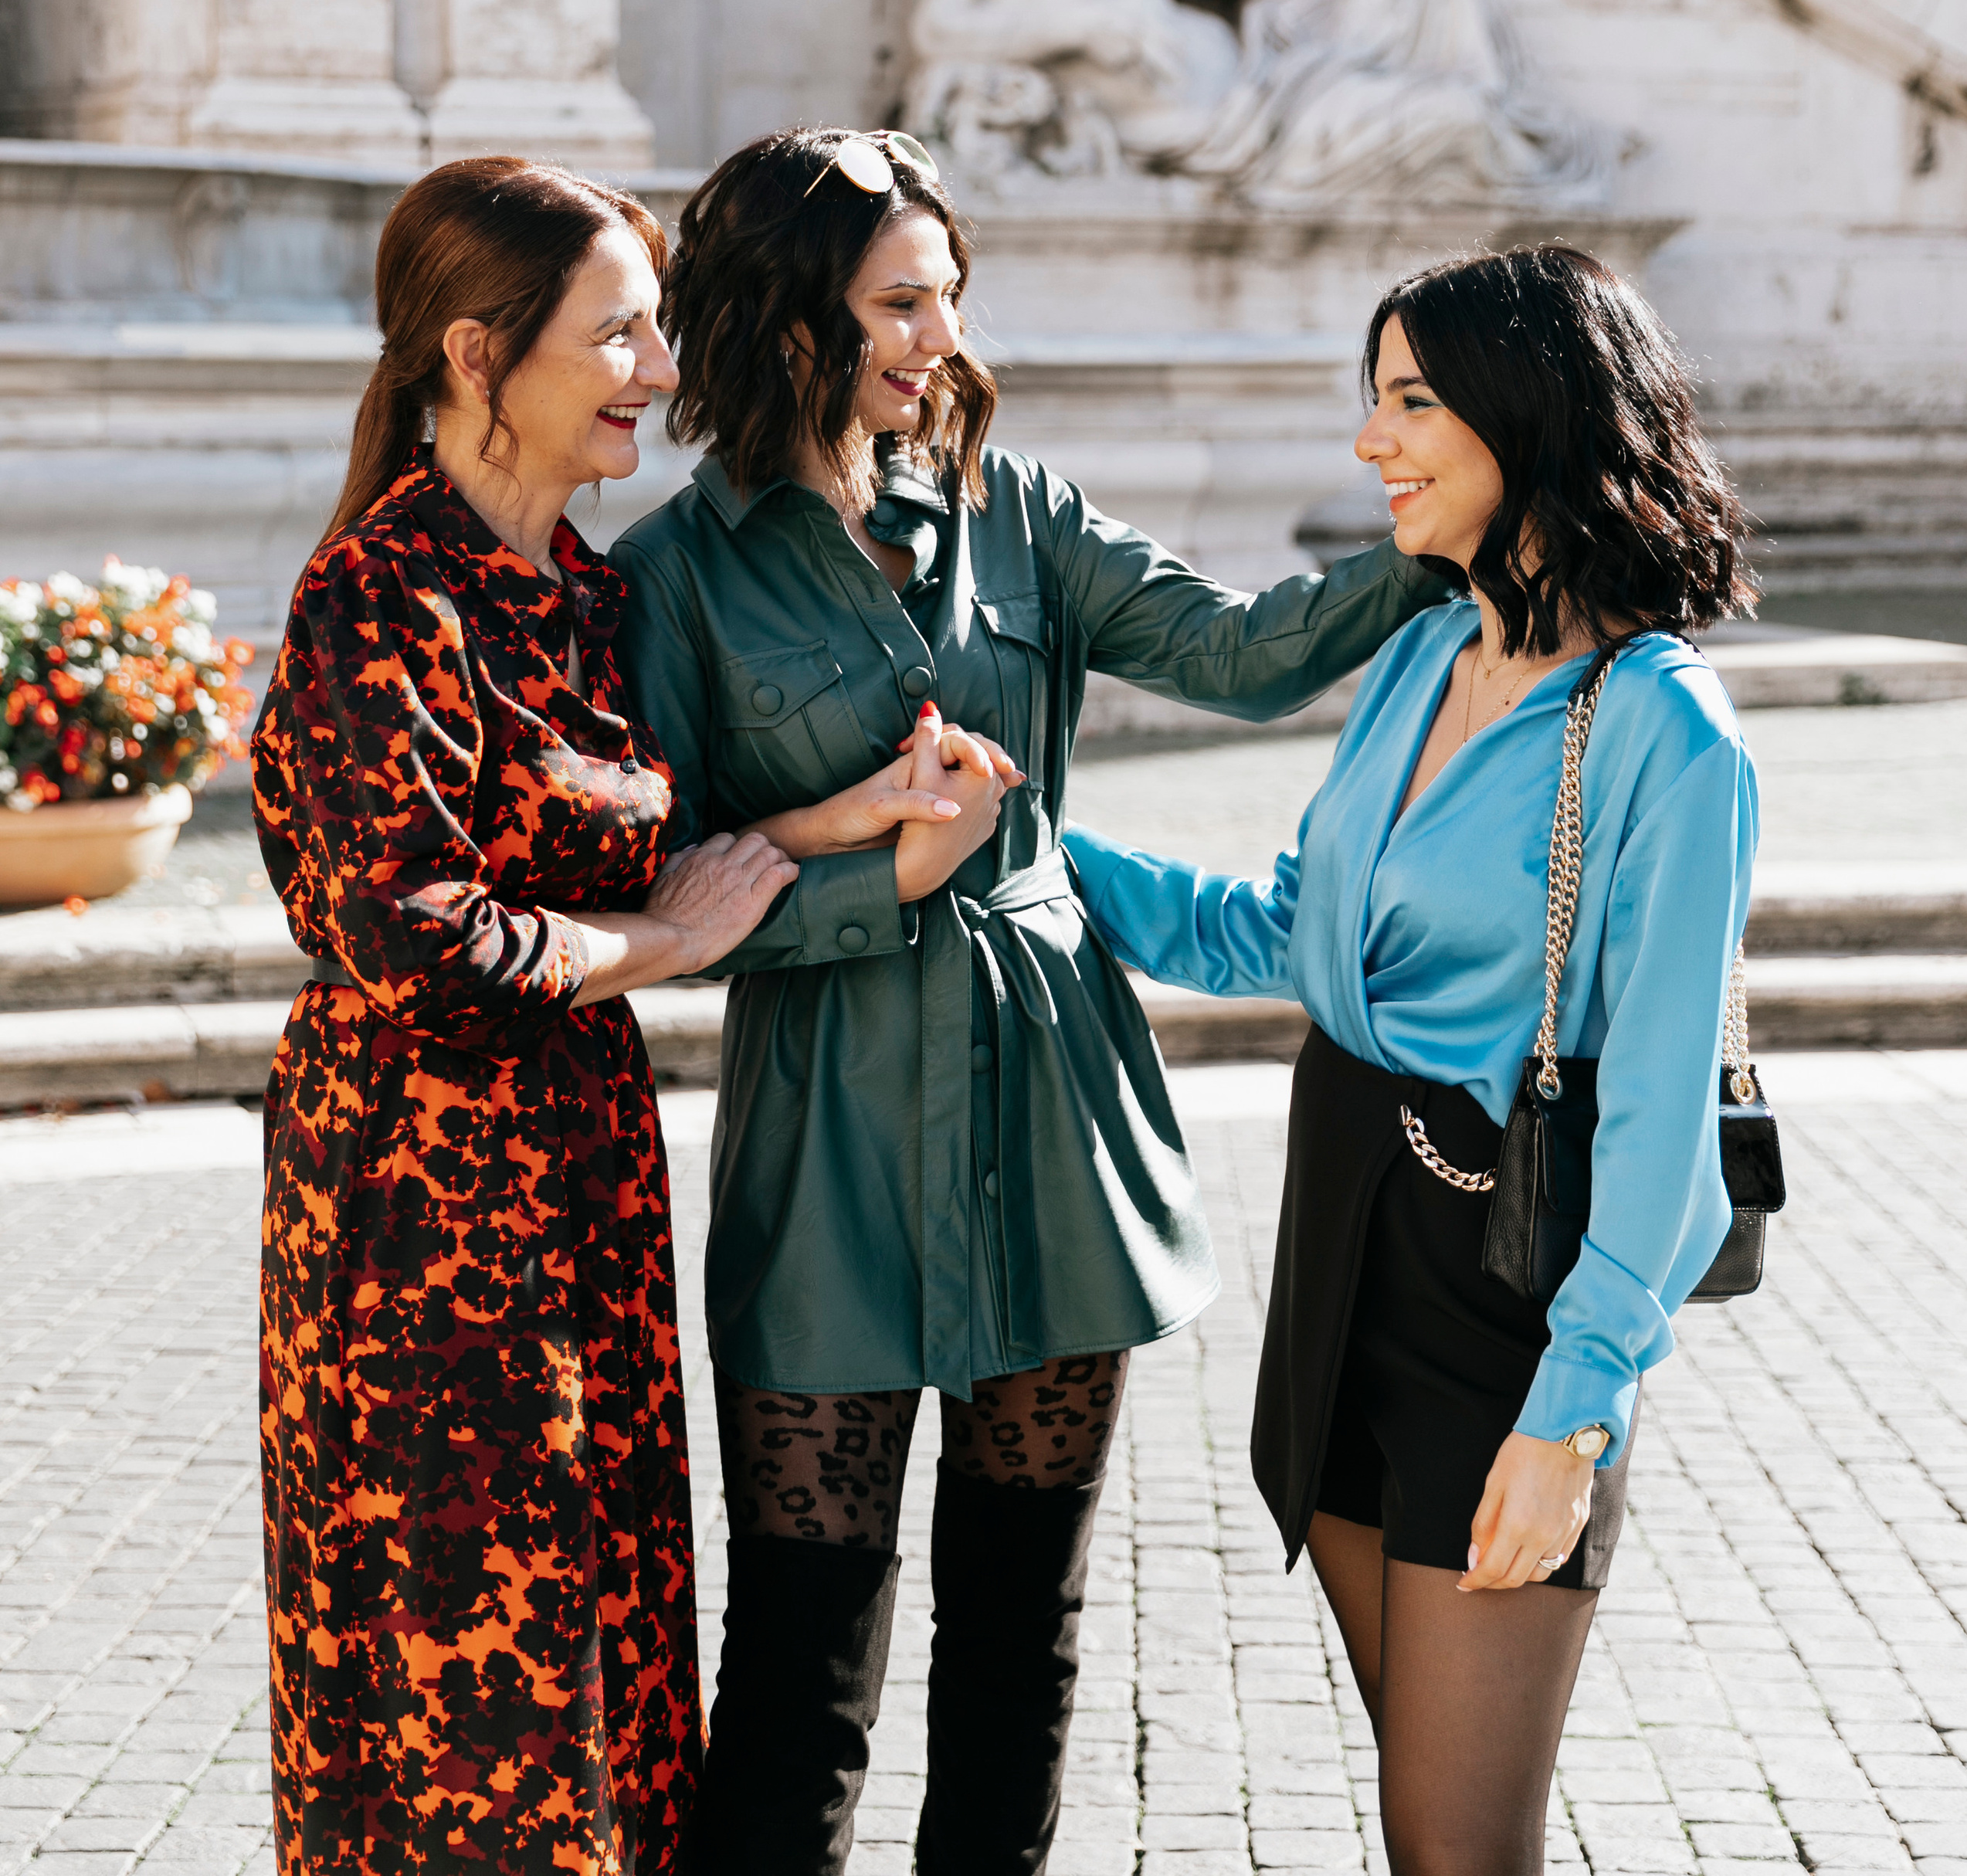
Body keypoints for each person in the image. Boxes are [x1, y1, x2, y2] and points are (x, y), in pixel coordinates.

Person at [609, 125, 1446, 1876]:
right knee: (798, 1657)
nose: (940, 334)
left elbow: (1240, 652)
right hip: (826, 1129)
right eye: (899, 302)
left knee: (1018, 1633)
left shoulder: (1016, 508)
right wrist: (871, 880)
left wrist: (1440, 527)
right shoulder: (678, 577)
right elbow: (666, 891)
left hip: (1050, 1104)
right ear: (786, 323)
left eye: (948, 295)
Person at [253, 158, 966, 1876]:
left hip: (576, 1176)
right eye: (622, 333)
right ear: (480, 353)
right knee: (465, 1679)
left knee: (600, 1644)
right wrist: (657, 944)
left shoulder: (583, 590)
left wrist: (834, 821)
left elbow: (646, 867)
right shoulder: (379, 595)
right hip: (418, 1210)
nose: (659, 370)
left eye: (654, 328)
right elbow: (411, 934)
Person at [1067, 246, 1760, 1876]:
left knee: (1460, 1844)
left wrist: (1573, 1409)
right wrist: (1032, 845)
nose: (1371, 444)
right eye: (1367, 403)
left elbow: (1664, 1110)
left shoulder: (1664, 727)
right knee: (1423, 1822)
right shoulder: (1412, 662)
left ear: (1531, 416)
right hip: (1343, 1255)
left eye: (1409, 402)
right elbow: (1280, 936)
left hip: (1505, 1295)